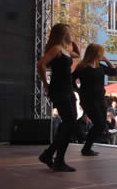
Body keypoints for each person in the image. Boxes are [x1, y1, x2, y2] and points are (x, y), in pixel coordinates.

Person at [37, 23, 80, 172]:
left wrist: (72, 41)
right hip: (60, 90)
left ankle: (49, 155)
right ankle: (57, 160)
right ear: (62, 34)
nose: (71, 33)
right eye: (69, 31)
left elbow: (77, 54)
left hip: (67, 90)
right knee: (70, 124)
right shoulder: (56, 49)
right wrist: (45, 83)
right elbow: (41, 64)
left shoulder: (65, 50)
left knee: (70, 124)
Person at [72, 43, 117, 156]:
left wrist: (106, 60)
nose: (102, 54)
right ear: (94, 53)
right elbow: (71, 80)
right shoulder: (83, 67)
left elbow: (114, 72)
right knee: (99, 123)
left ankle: (86, 146)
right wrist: (78, 91)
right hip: (88, 99)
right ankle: (85, 145)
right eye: (101, 52)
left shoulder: (100, 66)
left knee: (101, 125)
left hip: (101, 99)